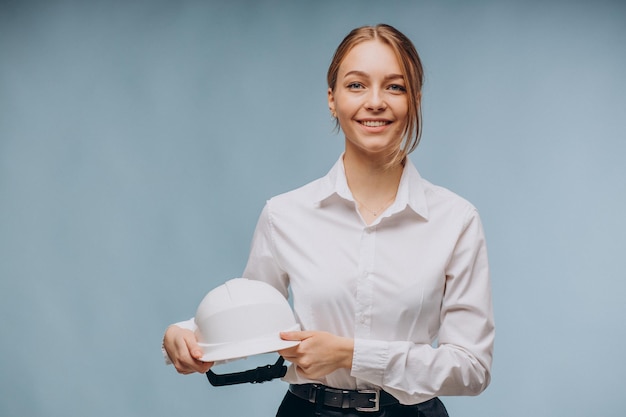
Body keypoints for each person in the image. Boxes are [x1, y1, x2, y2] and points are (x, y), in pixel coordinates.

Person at [163, 23, 494, 417]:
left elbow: (472, 369)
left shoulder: (455, 220)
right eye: (356, 85)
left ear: (415, 101)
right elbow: (248, 317)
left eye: (395, 86)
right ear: (331, 99)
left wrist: (352, 355)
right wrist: (183, 335)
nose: (375, 102)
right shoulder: (284, 214)